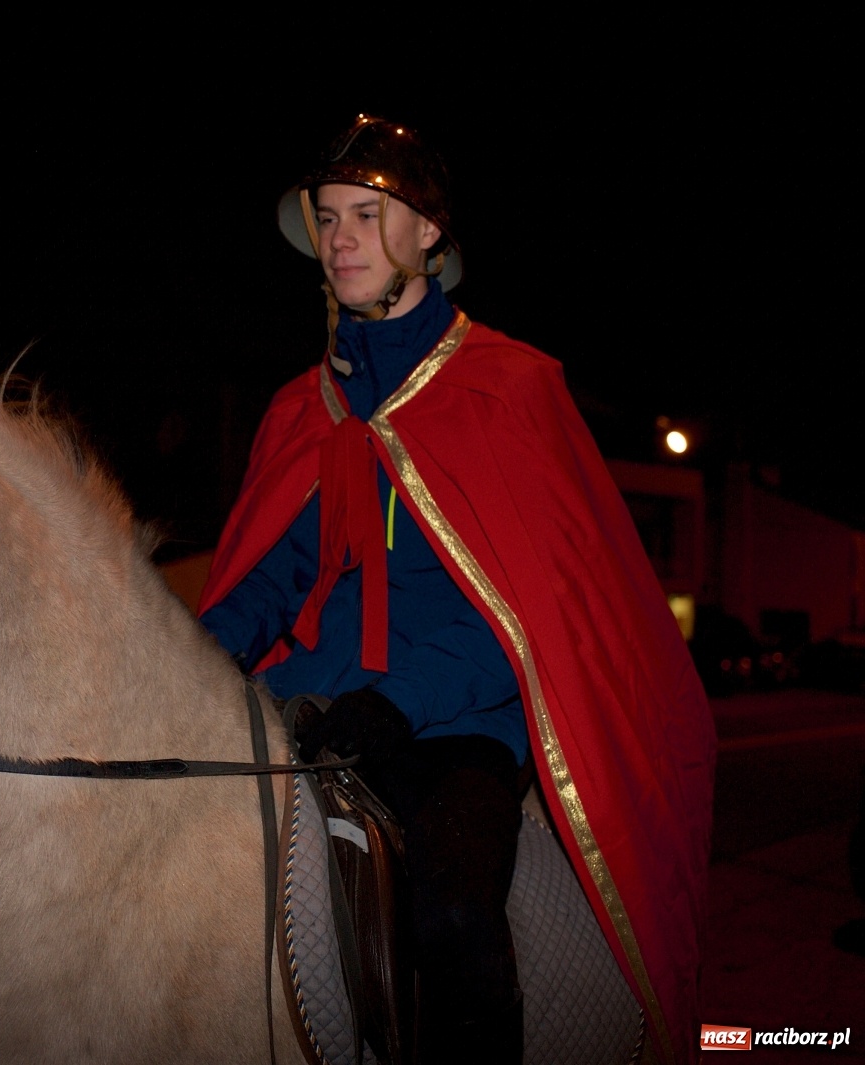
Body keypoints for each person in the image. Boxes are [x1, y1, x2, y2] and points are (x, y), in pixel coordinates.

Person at [198, 115, 715, 1064]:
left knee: (453, 912)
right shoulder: (306, 404)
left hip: (457, 721)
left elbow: (529, 611)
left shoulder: (508, 387)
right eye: (326, 217)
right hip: (313, 698)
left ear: (429, 231)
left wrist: (400, 700)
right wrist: (196, 645)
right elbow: (280, 572)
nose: (340, 238)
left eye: (366, 214)